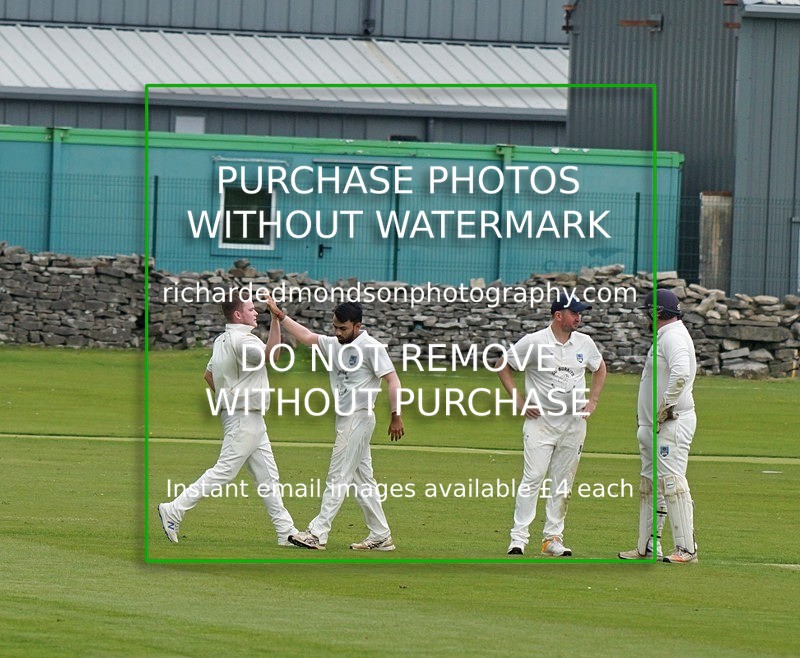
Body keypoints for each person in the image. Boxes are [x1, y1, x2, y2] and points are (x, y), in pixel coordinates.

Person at [157, 291, 299, 546]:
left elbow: (208, 376)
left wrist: (227, 399)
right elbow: (273, 356)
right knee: (224, 471)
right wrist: (276, 319)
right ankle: (174, 509)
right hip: (244, 418)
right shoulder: (244, 341)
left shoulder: (222, 340)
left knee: (268, 476)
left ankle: (285, 532)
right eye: (251, 309)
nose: (256, 312)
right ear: (237, 314)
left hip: (248, 418)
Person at [264, 299, 404, 551]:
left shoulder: (371, 347)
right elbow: (306, 336)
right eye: (335, 328)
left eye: (343, 329)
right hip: (344, 419)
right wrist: (281, 317)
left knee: (337, 474)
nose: (337, 333)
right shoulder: (334, 343)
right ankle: (381, 535)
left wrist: (396, 414)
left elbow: (393, 381)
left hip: (358, 417)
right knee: (363, 481)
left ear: (357, 326)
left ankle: (317, 533)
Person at [498, 293, 606, 557]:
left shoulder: (585, 342)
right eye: (574, 313)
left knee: (563, 483)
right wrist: (520, 402)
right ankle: (518, 538)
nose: (579, 318)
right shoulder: (534, 342)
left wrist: (592, 401)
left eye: (580, 313)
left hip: (574, 424)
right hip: (541, 422)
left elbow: (600, 368)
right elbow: (503, 365)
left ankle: (552, 539)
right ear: (559, 315)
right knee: (533, 478)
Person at [618, 289, 699, 564]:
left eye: (648, 313)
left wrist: (667, 406)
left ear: (657, 313)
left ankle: (687, 549)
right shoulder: (664, 336)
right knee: (650, 484)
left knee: (672, 482)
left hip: (671, 422)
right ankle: (647, 547)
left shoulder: (674, 335)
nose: (646, 318)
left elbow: (681, 372)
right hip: (654, 424)